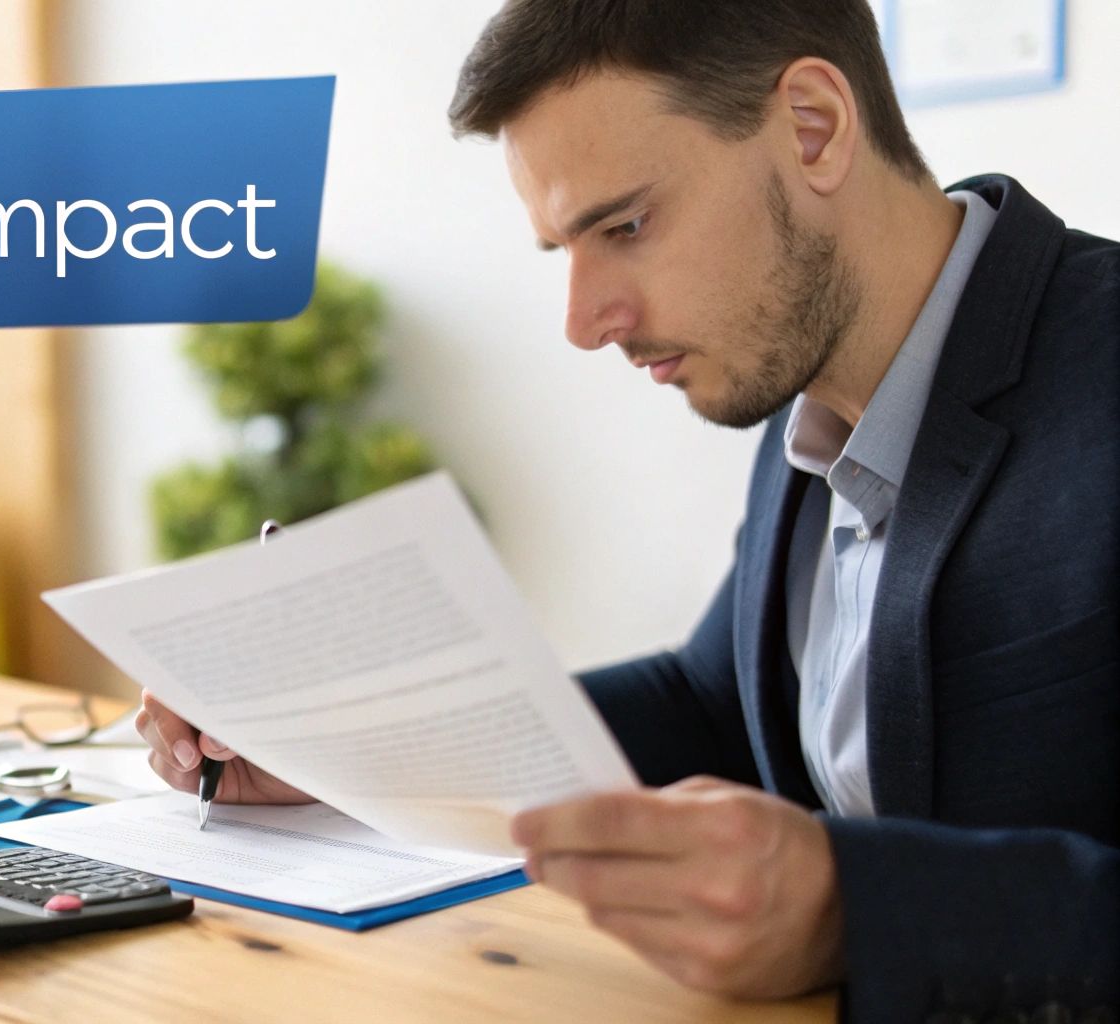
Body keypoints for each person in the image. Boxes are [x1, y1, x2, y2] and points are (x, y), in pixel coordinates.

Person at [134, 1, 1119, 1018]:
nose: (582, 321)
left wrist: (851, 908)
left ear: (811, 127)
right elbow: (712, 705)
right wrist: (353, 746)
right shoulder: (814, 393)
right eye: (565, 247)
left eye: (625, 225)